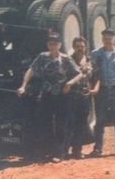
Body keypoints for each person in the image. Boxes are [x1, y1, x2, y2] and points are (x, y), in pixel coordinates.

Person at [17, 32, 82, 162]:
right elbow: (31, 70)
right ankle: (45, 151)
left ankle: (59, 153)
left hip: (61, 96)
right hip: (46, 94)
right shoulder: (42, 57)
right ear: (48, 45)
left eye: (55, 43)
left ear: (60, 45)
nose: (53, 46)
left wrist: (69, 83)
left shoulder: (66, 59)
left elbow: (79, 74)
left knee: (60, 125)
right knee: (44, 124)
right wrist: (23, 85)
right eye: (51, 43)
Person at [89, 28, 115, 158]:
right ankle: (97, 149)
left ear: (114, 39)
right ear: (102, 39)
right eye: (105, 38)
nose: (108, 40)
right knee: (100, 120)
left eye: (110, 38)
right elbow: (92, 72)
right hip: (102, 90)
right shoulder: (95, 54)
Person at [67, 37, 100, 159]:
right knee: (69, 123)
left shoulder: (91, 61)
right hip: (71, 97)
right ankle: (64, 150)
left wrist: (95, 89)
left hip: (85, 97)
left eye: (82, 46)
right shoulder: (69, 60)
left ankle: (77, 150)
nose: (80, 48)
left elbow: (96, 77)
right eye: (77, 46)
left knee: (81, 124)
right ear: (73, 47)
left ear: (85, 47)